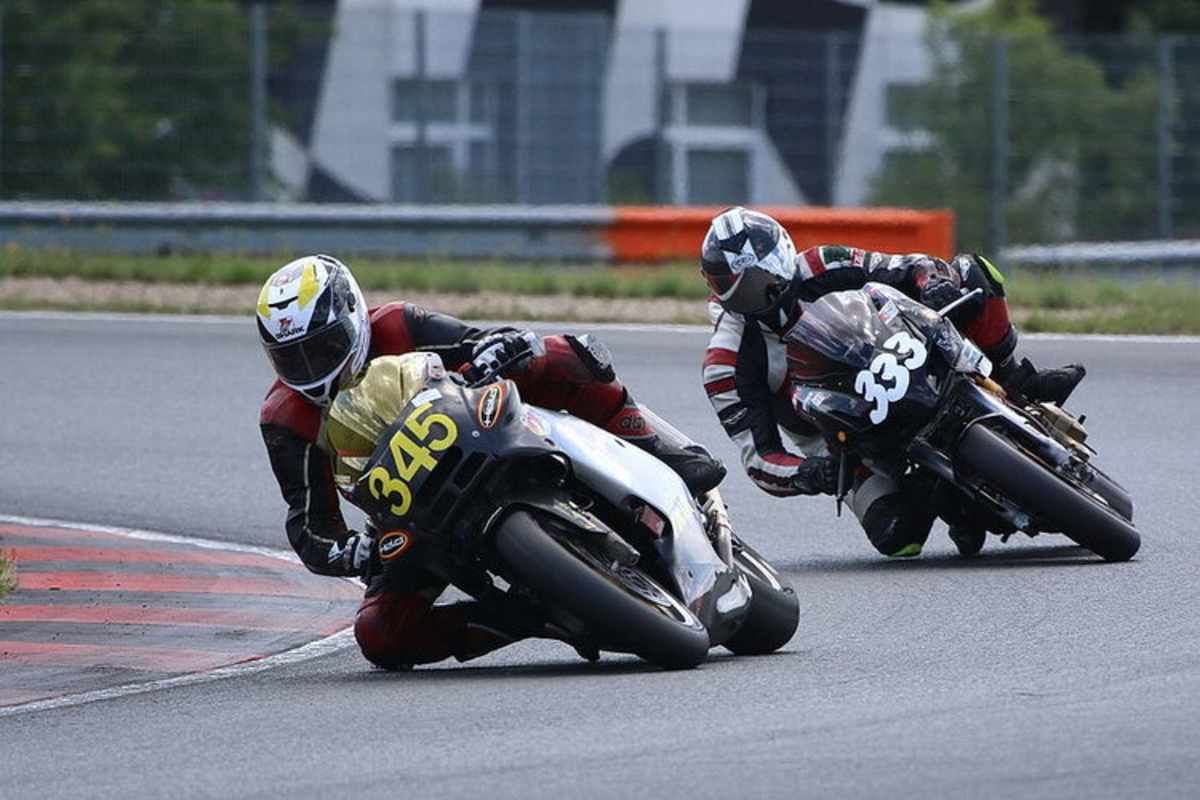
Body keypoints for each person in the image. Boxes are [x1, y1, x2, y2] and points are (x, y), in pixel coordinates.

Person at [257, 254, 725, 668]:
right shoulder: (286, 420)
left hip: (477, 429)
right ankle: (526, 617)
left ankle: (657, 447)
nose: (311, 368)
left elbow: (478, 341)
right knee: (380, 634)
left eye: (322, 348)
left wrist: (506, 346)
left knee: (555, 356)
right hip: (408, 514)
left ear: (354, 317)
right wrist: (353, 552)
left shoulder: (398, 325)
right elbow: (310, 522)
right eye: (291, 358)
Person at [698, 206, 1086, 559]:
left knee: (972, 272)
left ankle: (1013, 378)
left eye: (760, 277)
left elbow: (909, 266)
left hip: (897, 353)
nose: (755, 294)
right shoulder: (725, 362)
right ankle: (949, 502)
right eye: (736, 286)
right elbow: (760, 458)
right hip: (835, 435)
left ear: (781, 257)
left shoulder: (824, 263)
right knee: (897, 536)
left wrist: (933, 282)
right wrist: (811, 472)